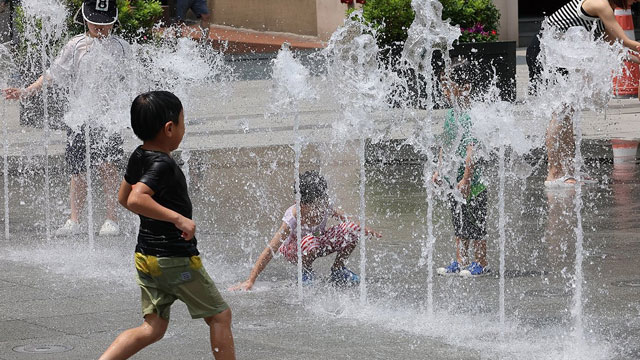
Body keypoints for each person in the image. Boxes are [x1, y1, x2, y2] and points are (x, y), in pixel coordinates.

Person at [99, 91, 235, 360]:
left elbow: (123, 198)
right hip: (175, 259)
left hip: (146, 257)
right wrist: (176, 218)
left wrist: (153, 214)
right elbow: (137, 198)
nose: (184, 129)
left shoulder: (139, 155)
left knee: (153, 328)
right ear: (170, 128)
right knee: (220, 315)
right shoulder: (162, 164)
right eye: (183, 123)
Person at [3, 0, 128, 236]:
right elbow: (53, 74)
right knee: (78, 170)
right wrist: (26, 91)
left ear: (113, 22)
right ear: (85, 19)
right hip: (80, 116)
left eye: (105, 23)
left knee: (108, 167)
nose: (99, 28)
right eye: (94, 22)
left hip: (108, 117)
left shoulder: (121, 47)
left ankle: (111, 218)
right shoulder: (76, 45)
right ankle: (75, 219)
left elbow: (131, 79)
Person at [527, 0, 640, 187]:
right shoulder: (601, 4)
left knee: (568, 112)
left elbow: (613, 46)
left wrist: (636, 60)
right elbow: (627, 41)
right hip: (545, 52)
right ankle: (553, 173)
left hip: (562, 56)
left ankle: (570, 170)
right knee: (560, 111)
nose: (636, 1)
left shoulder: (607, 11)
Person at [231, 170, 382, 290]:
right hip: (295, 250)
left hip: (316, 242)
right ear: (302, 204)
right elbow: (271, 248)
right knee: (310, 242)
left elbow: (345, 219)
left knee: (351, 230)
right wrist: (251, 280)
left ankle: (338, 269)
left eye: (324, 200)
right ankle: (306, 272)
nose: (323, 206)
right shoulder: (292, 217)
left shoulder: (324, 205)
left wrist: (362, 228)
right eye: (317, 204)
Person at [433, 60, 489, 277]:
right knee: (459, 222)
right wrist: (439, 170)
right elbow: (444, 145)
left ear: (465, 87)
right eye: (442, 86)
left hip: (474, 184)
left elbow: (471, 151)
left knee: (476, 225)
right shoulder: (450, 115)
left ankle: (481, 263)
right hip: (454, 181)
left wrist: (467, 179)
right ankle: (460, 260)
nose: (444, 91)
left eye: (448, 86)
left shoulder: (472, 116)